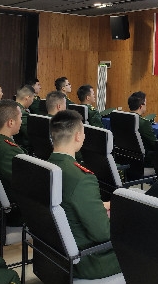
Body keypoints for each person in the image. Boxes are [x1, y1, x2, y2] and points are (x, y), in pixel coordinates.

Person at [47, 110, 121, 280]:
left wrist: (103, 206)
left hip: (55, 253)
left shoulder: (47, 166)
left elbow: (67, 205)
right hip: (89, 260)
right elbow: (103, 234)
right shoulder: (82, 178)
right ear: (78, 136)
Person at [0, 100, 25, 226]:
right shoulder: (8, 150)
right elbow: (26, 184)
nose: (21, 121)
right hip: (16, 212)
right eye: (20, 118)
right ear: (11, 122)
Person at [13, 85, 34, 152]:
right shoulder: (22, 113)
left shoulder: (11, 107)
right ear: (28, 98)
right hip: (21, 148)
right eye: (32, 98)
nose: (32, 101)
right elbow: (30, 134)